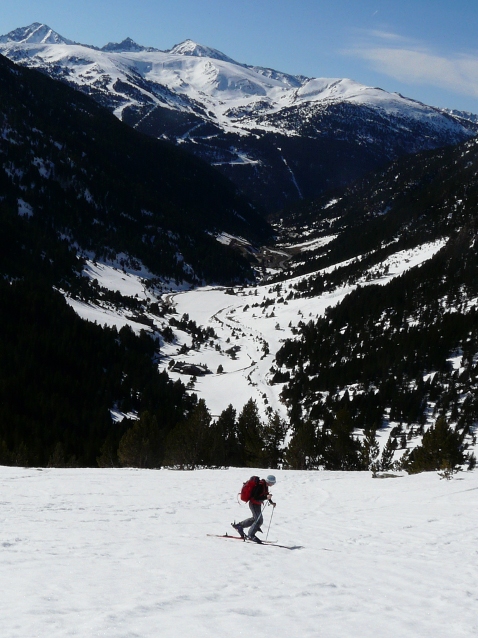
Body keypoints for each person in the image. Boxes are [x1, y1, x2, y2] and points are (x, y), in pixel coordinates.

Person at [232, 475, 276, 543]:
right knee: (259, 520)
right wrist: (266, 497)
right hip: (254, 504)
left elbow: (265, 495)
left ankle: (239, 526)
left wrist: (271, 502)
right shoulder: (261, 485)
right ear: (269, 481)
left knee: (255, 519)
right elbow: (255, 497)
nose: (273, 484)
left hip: (257, 504)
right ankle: (251, 535)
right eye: (273, 483)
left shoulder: (265, 486)